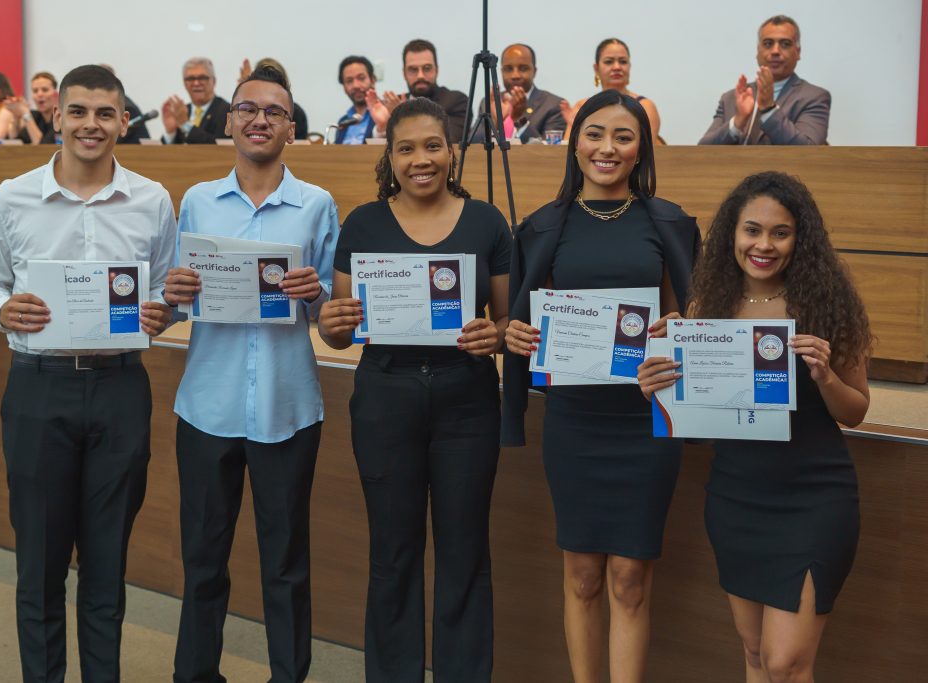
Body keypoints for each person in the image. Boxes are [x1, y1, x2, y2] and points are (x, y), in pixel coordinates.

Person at [0, 64, 177, 682]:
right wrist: (2, 309)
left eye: (105, 113)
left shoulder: (151, 200)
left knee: (107, 560)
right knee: (39, 561)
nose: (92, 124)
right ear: (56, 116)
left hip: (119, 389)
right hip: (38, 389)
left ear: (122, 121)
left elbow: (166, 288)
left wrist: (163, 310)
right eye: (79, 111)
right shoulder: (10, 197)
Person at [638, 171, 872, 682]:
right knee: (754, 654)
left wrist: (826, 376)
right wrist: (660, 388)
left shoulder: (826, 306)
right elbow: (698, 425)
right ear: (732, 236)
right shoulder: (708, 309)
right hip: (737, 495)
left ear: (799, 239)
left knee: (786, 662)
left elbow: (856, 410)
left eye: (780, 232)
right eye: (752, 231)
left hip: (814, 498)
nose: (763, 245)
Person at [503, 90, 699, 683]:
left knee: (629, 579)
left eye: (622, 136)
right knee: (584, 575)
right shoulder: (540, 227)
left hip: (645, 423)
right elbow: (522, 319)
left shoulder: (671, 223)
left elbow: (695, 315)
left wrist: (687, 330)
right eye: (594, 134)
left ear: (641, 147)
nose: (606, 148)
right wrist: (517, 336)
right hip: (576, 421)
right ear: (574, 141)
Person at [318, 97, 510, 682]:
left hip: (467, 401)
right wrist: (331, 324)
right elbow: (342, 323)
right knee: (393, 554)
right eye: (406, 148)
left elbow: (508, 326)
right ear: (390, 156)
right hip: (386, 397)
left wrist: (493, 335)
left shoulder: (487, 223)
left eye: (432, 146)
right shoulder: (363, 224)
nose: (420, 160)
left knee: (464, 554)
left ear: (452, 153)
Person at [161, 64, 338, 683]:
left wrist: (316, 292)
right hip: (207, 405)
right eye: (248, 109)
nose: (260, 120)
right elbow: (181, 301)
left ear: (291, 128)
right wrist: (177, 290)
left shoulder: (316, 205)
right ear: (230, 121)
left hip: (287, 410)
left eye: (274, 112)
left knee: (286, 563)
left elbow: (330, 315)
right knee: (204, 560)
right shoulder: (199, 202)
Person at [699, 15, 830, 145]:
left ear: (798, 52)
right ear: (758, 51)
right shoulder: (730, 98)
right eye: (768, 44)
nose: (775, 51)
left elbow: (809, 150)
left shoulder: (814, 97)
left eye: (785, 44)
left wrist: (769, 109)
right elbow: (702, 152)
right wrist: (738, 122)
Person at [366, 38, 469, 143]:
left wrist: (402, 117)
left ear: (437, 70)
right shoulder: (392, 105)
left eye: (427, 68)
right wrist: (382, 128)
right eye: (413, 70)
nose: (420, 76)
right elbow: (377, 154)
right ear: (404, 74)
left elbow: (448, 142)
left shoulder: (456, 101)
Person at [561, 39, 662, 143]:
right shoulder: (583, 105)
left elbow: (646, 151)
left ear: (629, 67)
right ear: (596, 69)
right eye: (609, 61)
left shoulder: (645, 106)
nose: (617, 67)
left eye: (623, 62)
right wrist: (576, 131)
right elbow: (566, 153)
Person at [471, 43, 565, 144]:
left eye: (523, 68)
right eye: (508, 69)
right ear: (502, 71)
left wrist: (520, 119)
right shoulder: (487, 103)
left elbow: (550, 153)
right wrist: (495, 122)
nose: (515, 75)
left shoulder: (553, 105)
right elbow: (472, 145)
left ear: (534, 71)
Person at [162, 56, 231, 144]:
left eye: (202, 78)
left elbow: (219, 148)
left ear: (214, 81)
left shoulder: (227, 111)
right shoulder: (182, 112)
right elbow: (165, 154)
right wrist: (170, 132)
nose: (196, 83)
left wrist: (185, 124)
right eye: (190, 79)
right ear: (184, 83)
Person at [6, 71, 59, 144]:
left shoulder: (61, 118)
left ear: (56, 94)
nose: (39, 94)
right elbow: (16, 143)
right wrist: (16, 116)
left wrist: (25, 113)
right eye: (35, 91)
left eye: (45, 90)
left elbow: (43, 146)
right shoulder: (35, 116)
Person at [334, 55, 377, 144]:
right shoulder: (343, 121)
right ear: (344, 87)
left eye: (361, 78)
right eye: (349, 81)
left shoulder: (387, 115)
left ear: (372, 81)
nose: (356, 85)